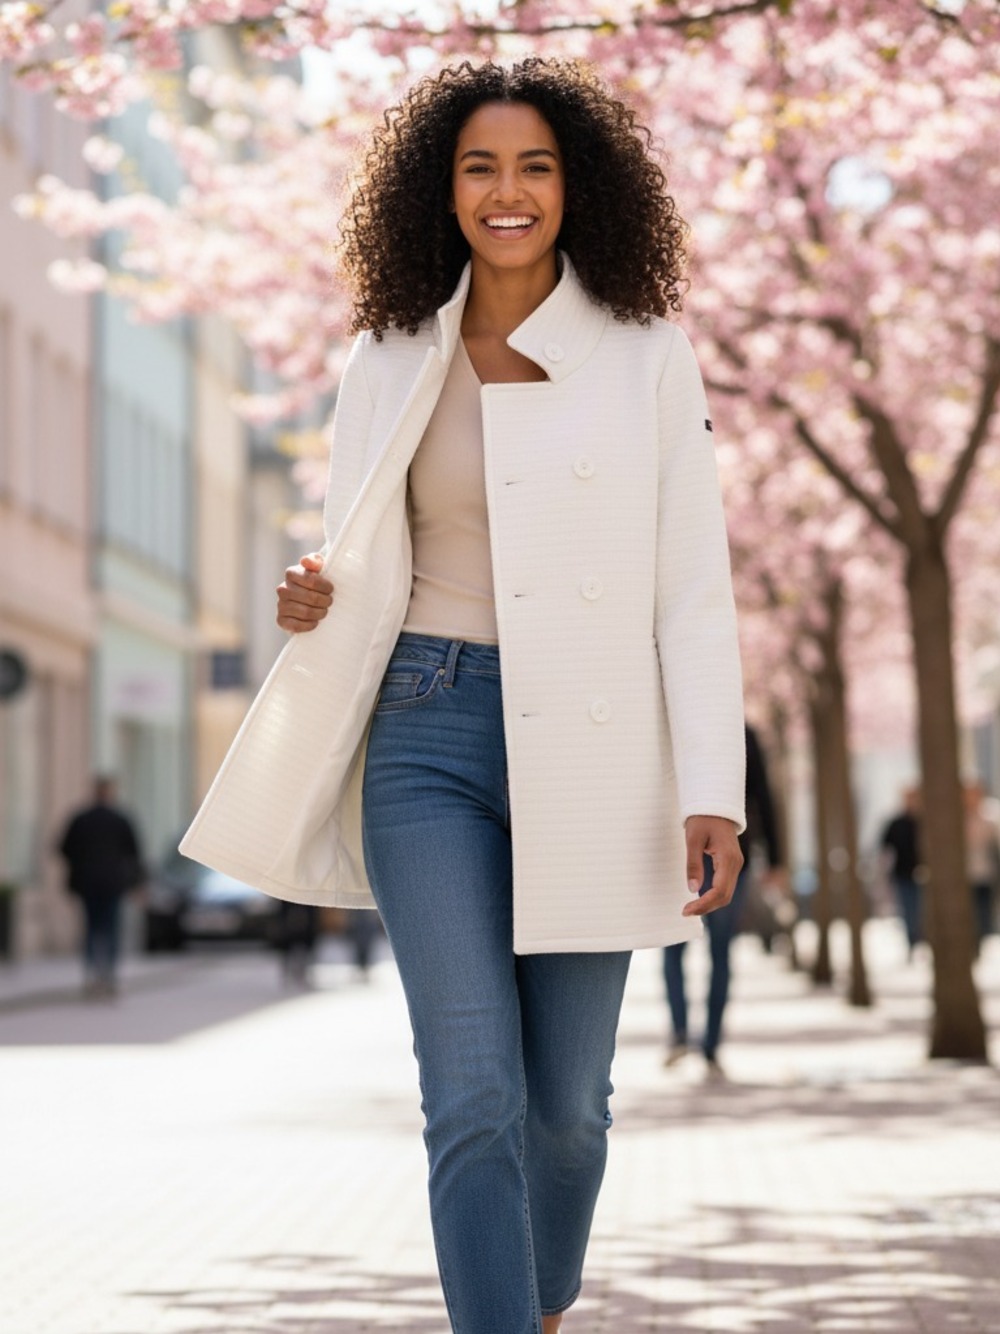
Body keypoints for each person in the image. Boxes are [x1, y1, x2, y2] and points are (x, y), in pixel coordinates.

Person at [182, 58, 745, 1334]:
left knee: (567, 1104)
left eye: (535, 166)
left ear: (575, 187)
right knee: (472, 1086)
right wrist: (312, 592)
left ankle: (536, 1307)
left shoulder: (647, 354)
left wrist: (713, 791)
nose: (507, 192)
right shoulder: (386, 354)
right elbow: (355, 553)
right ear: (439, 192)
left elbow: (694, 592)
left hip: (602, 753)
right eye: (479, 167)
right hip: (424, 727)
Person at [662, 722, 784, 1077]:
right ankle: (687, 1036)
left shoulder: (743, 733)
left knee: (712, 950)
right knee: (681, 946)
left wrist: (775, 859)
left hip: (728, 857)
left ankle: (703, 1041)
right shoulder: (674, 727)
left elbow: (763, 794)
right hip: (679, 855)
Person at [57, 775, 145, 998]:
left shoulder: (81, 819)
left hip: (88, 883)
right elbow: (134, 853)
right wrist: (136, 882)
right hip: (112, 884)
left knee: (92, 928)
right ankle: (107, 976)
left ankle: (92, 975)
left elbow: (64, 848)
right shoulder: (119, 819)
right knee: (110, 929)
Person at [879, 786, 924, 959]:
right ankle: (912, 943)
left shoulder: (925, 821)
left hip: (925, 875)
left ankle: (921, 941)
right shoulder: (896, 823)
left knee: (922, 910)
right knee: (908, 910)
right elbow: (885, 848)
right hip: (903, 874)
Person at [964, 781, 1000, 953]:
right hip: (964, 875)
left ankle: (979, 942)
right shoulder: (956, 816)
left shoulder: (991, 815)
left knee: (983, 911)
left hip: (986, 873)